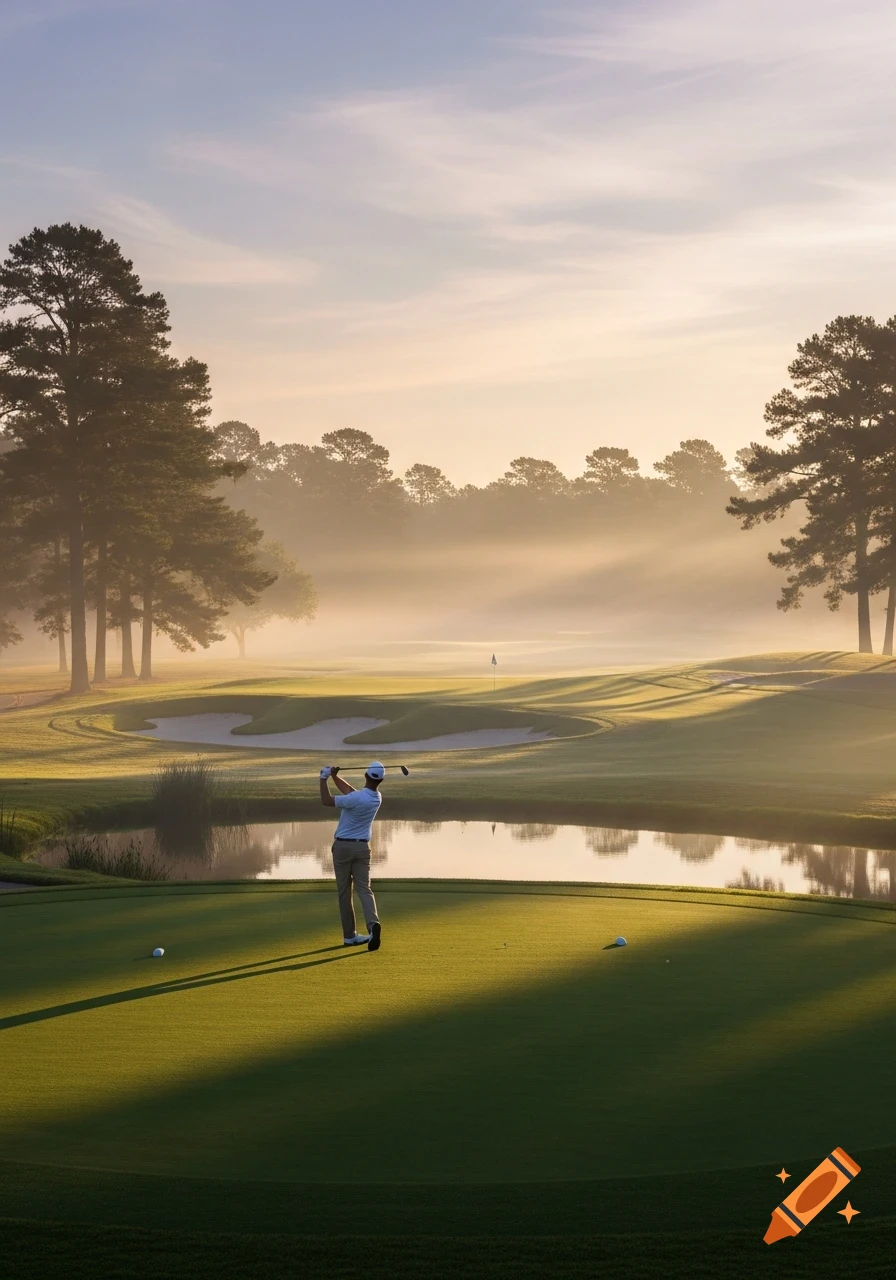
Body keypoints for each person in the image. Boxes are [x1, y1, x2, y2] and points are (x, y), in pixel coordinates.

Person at [319, 762, 384, 951]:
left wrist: (323, 778)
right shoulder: (376, 798)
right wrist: (334, 776)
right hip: (362, 848)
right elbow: (350, 791)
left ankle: (350, 936)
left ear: (366, 775)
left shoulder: (356, 798)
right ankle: (373, 925)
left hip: (343, 848)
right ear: (380, 780)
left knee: (344, 892)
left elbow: (326, 800)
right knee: (365, 889)